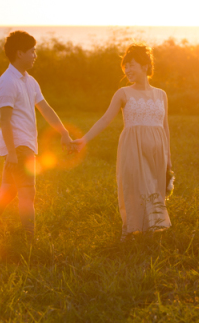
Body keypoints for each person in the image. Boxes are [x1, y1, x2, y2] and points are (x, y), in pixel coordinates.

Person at [0, 30, 73, 241]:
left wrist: (63, 132)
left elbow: (45, 108)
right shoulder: (7, 82)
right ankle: (30, 241)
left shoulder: (30, 81)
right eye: (32, 51)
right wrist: (11, 152)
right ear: (19, 53)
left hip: (24, 145)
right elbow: (4, 120)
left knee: (7, 192)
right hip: (18, 146)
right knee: (28, 193)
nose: (35, 55)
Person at [73, 44, 172, 240]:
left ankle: (152, 231)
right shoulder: (123, 93)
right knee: (134, 187)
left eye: (131, 65)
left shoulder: (161, 94)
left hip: (157, 149)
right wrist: (84, 140)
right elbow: (105, 119)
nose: (127, 70)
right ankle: (131, 230)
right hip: (132, 147)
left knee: (154, 188)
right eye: (125, 67)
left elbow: (165, 127)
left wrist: (169, 157)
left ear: (145, 66)